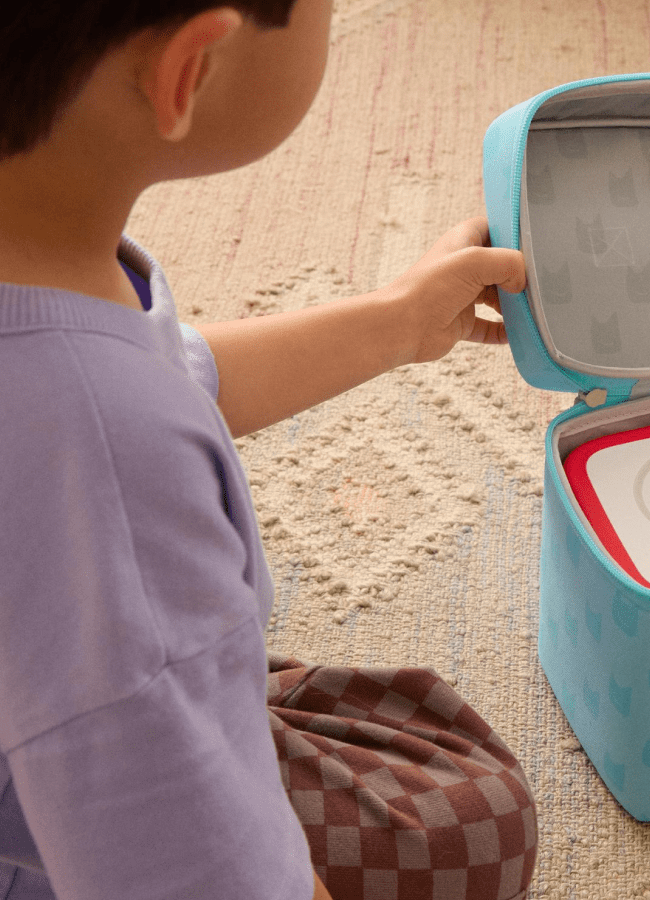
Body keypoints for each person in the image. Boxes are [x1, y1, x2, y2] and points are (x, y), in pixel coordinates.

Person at [0, 3, 536, 899]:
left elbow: (173, 371)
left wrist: (399, 321)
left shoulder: (43, 273)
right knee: (475, 826)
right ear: (189, 70)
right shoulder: (107, 458)